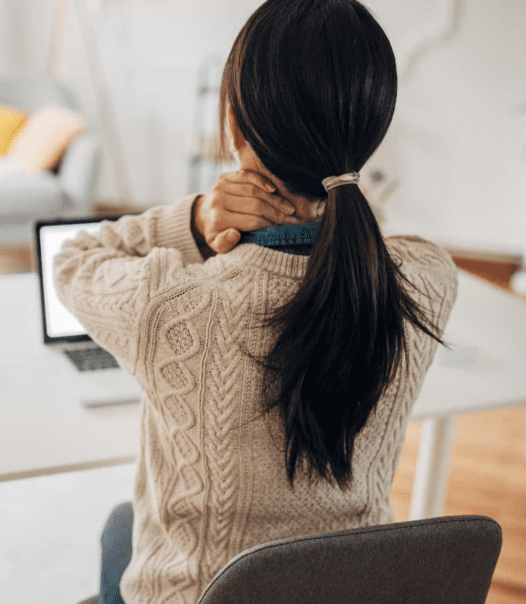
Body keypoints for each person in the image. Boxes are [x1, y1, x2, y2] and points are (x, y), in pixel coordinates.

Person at [54, 1, 459, 603]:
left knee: (120, 531)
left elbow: (74, 260)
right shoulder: (427, 280)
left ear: (237, 132)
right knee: (121, 528)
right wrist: (330, 195)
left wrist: (196, 219)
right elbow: (366, 238)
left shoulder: (170, 301)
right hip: (350, 592)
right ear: (369, 131)